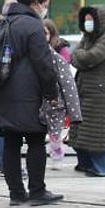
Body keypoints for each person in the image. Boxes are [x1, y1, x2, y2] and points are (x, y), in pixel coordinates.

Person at [0, 0, 63, 207]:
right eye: (45, 4)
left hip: (1, 93)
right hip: (28, 94)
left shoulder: (5, 21)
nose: (45, 9)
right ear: (36, 3)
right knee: (36, 140)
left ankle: (16, 194)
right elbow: (43, 63)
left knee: (11, 142)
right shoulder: (32, 25)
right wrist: (51, 93)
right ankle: (37, 191)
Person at [68, 5, 105, 177]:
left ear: (99, 20)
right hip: (83, 89)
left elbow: (91, 58)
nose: (88, 23)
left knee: (97, 130)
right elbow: (73, 57)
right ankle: (85, 163)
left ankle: (99, 167)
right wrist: (81, 56)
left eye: (91, 19)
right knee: (81, 128)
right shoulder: (87, 38)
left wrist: (80, 56)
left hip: (98, 91)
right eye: (86, 19)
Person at [41, 19, 82, 170]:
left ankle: (57, 156)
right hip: (38, 103)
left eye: (45, 33)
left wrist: (74, 113)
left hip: (55, 103)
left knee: (55, 135)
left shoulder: (58, 55)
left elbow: (67, 84)